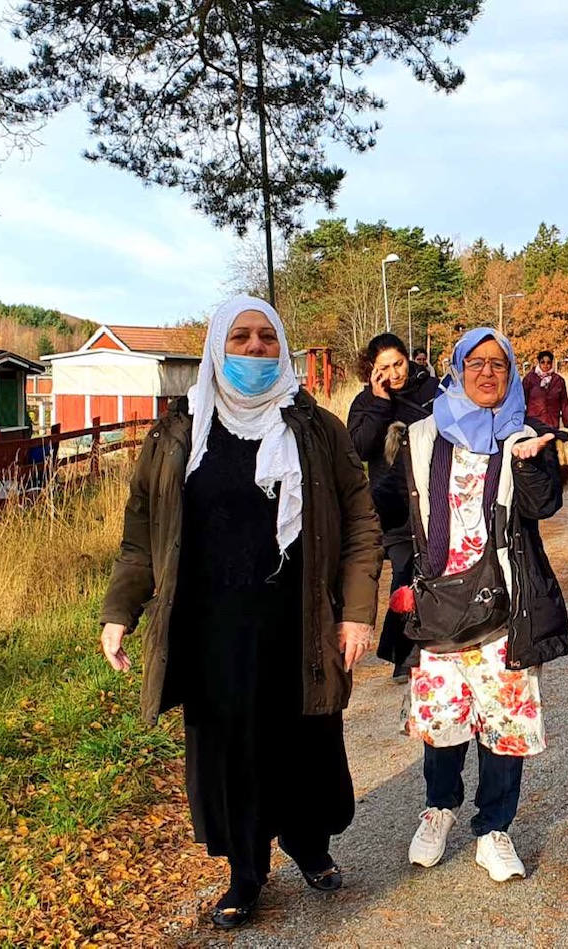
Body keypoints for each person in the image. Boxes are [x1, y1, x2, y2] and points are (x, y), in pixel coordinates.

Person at [99, 296, 382, 930]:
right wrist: (121, 609)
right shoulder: (178, 433)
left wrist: (356, 612)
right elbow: (143, 536)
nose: (255, 350)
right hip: (211, 630)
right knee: (231, 751)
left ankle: (309, 845)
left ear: (283, 347)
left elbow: (361, 520)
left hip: (299, 620)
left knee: (306, 742)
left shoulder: (314, 428)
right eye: (241, 338)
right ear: (217, 349)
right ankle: (246, 872)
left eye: (266, 338)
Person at [380, 327, 568, 883]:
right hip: (437, 604)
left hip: (504, 607)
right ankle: (439, 809)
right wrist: (405, 574)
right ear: (457, 369)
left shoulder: (523, 436)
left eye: (500, 365)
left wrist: (535, 461)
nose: (488, 373)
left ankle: (494, 829)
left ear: (511, 375)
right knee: (442, 722)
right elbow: (389, 510)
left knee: (504, 721)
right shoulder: (419, 435)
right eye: (477, 363)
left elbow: (545, 506)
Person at [346, 334, 441, 681]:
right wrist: (380, 402)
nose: (394, 373)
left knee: (432, 572)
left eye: (398, 364)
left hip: (434, 498)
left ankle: (426, 644)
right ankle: (401, 652)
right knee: (403, 573)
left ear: (408, 358)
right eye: (384, 368)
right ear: (371, 370)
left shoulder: (433, 391)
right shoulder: (365, 403)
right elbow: (357, 448)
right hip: (393, 503)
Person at [522, 350, 568, 429]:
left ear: (552, 363)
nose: (546, 365)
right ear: (539, 362)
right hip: (534, 422)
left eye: (548, 362)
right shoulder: (529, 379)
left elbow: (564, 403)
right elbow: (522, 401)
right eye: (543, 362)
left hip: (552, 422)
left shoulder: (559, 380)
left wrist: (567, 422)